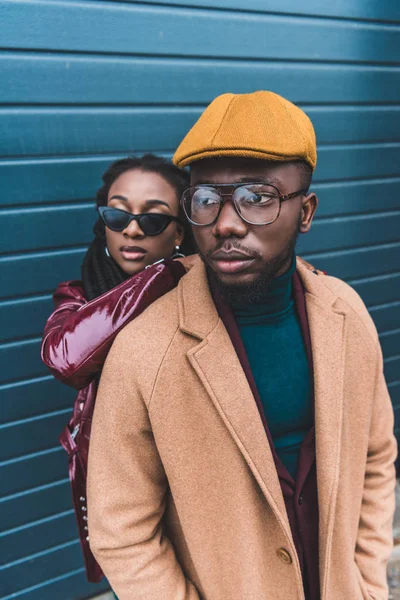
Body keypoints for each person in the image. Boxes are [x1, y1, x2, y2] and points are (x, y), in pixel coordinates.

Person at [87, 92, 397, 600]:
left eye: (259, 197)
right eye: (208, 199)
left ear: (306, 211)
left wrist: (366, 584)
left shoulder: (347, 315)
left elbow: (377, 459)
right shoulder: (145, 348)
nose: (227, 223)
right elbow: (121, 531)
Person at [41, 154, 194, 583]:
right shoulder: (78, 296)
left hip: (194, 480)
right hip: (123, 490)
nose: (131, 228)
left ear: (180, 230)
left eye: (153, 220)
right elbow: (65, 356)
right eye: (117, 213)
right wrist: (163, 274)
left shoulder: (206, 295)